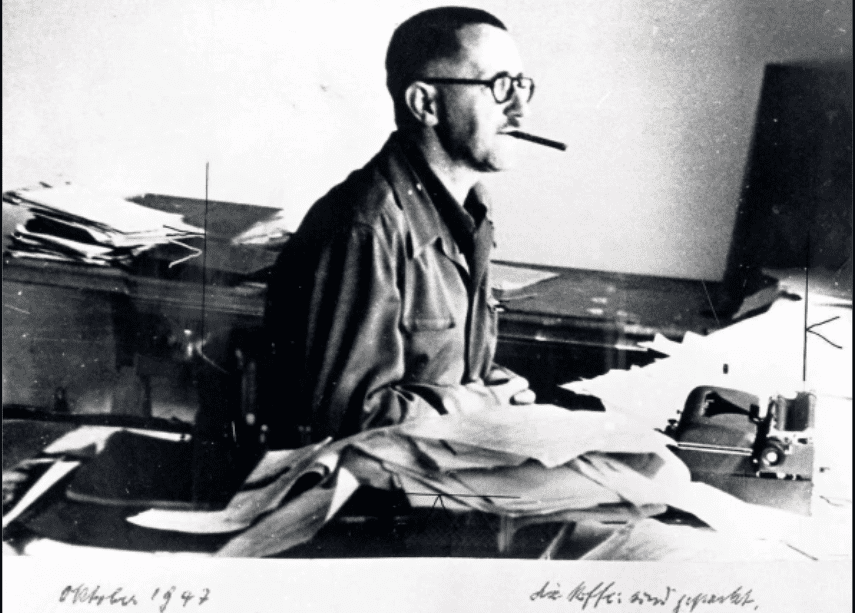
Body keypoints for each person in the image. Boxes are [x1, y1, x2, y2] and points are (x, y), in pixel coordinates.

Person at [263, 6, 538, 447]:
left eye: (522, 86)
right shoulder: (366, 227)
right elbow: (343, 419)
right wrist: (481, 405)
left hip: (434, 465)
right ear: (425, 103)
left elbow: (450, 370)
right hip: (365, 484)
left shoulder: (471, 212)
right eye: (500, 86)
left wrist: (502, 389)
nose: (520, 108)